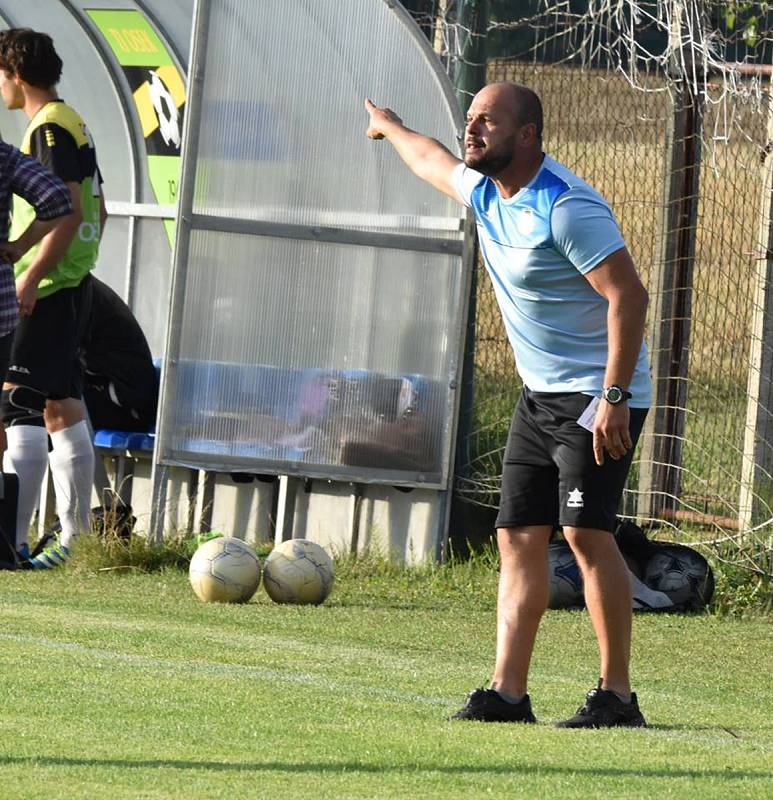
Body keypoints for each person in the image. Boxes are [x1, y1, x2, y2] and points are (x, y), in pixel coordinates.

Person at [364, 83, 652, 728]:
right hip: (538, 395)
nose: (472, 131)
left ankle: (617, 696)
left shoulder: (567, 207)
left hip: (595, 395)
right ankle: (507, 694)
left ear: (526, 135)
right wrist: (390, 125)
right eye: (470, 119)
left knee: (584, 532)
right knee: (518, 538)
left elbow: (628, 298)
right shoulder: (487, 191)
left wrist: (614, 398)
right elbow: (429, 158)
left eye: (487, 122)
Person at [0, 29, 107, 569]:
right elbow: (100, 209)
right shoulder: (73, 120)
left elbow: (69, 209)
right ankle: (75, 540)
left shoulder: (48, 129)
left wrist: (32, 273)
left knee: (19, 401)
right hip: (72, 281)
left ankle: (13, 544)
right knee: (61, 406)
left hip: (48, 284)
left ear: (15, 75)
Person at [81, 276, 158, 433]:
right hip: (111, 391)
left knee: (41, 402)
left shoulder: (73, 294)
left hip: (127, 407)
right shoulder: (80, 287)